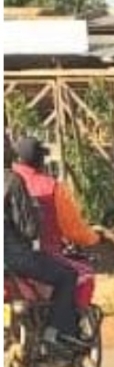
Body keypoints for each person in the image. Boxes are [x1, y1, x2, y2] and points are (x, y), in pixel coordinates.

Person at [3, 135, 88, 353]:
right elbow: (30, 229)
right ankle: (55, 334)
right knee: (67, 276)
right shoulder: (14, 181)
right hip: (17, 259)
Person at [10, 137, 102, 311]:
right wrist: (94, 238)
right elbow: (74, 230)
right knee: (82, 276)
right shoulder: (51, 187)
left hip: (8, 260)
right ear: (40, 160)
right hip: (41, 256)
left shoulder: (6, 181)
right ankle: (65, 326)